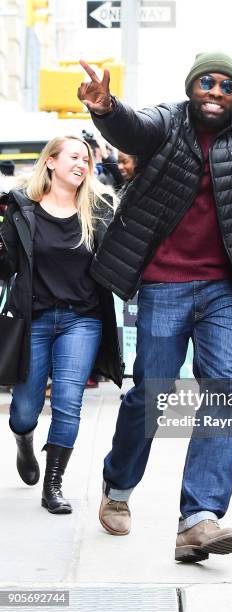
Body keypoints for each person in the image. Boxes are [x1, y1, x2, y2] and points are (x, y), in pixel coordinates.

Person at [77, 51, 232, 561]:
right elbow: (133, 130)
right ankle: (119, 486)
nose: (216, 92)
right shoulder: (167, 121)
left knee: (226, 394)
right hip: (164, 286)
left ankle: (198, 518)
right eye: (207, 83)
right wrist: (106, 108)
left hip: (225, 288)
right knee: (152, 398)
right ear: (191, 87)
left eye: (226, 86)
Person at [0, 136, 123, 514]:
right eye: (74, 157)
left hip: (81, 320)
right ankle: (24, 439)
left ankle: (53, 485)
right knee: (24, 409)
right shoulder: (23, 210)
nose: (82, 164)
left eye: (86, 159)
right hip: (33, 320)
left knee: (69, 403)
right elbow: (6, 268)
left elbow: (119, 259)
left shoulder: (99, 210)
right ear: (50, 162)